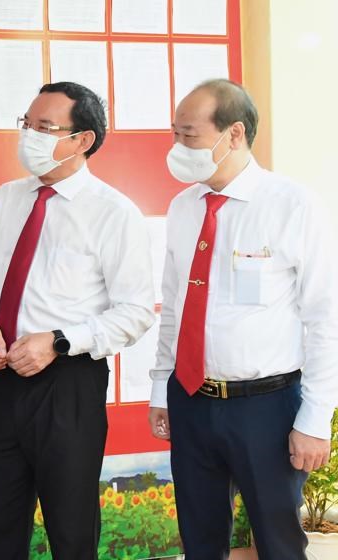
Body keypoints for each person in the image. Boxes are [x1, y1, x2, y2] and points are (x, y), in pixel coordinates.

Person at [0, 81, 155, 559]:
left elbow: (135, 312)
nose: (29, 135)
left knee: (70, 531)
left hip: (67, 385)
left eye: (44, 127)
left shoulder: (114, 213)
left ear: (82, 139)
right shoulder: (8, 197)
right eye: (26, 123)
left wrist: (59, 341)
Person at [148, 79, 338, 559]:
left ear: (233, 134)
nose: (178, 146)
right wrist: (162, 390)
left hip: (266, 408)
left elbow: (326, 319)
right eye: (175, 133)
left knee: (278, 543)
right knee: (200, 540)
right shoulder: (183, 207)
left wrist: (315, 419)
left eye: (189, 135)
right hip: (191, 400)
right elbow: (174, 307)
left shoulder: (293, 205)